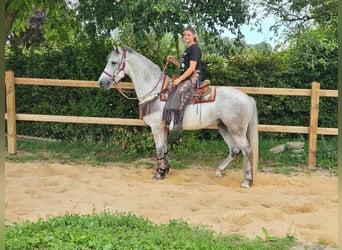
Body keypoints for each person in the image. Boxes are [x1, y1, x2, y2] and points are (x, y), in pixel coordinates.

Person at [163, 26, 202, 130]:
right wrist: (174, 61)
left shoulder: (195, 49)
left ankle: (178, 121)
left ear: (194, 36)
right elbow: (184, 67)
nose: (186, 37)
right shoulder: (188, 49)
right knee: (171, 89)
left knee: (180, 91)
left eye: (188, 35)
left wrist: (179, 79)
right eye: (184, 35)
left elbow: (192, 68)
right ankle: (169, 118)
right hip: (187, 76)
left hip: (194, 77)